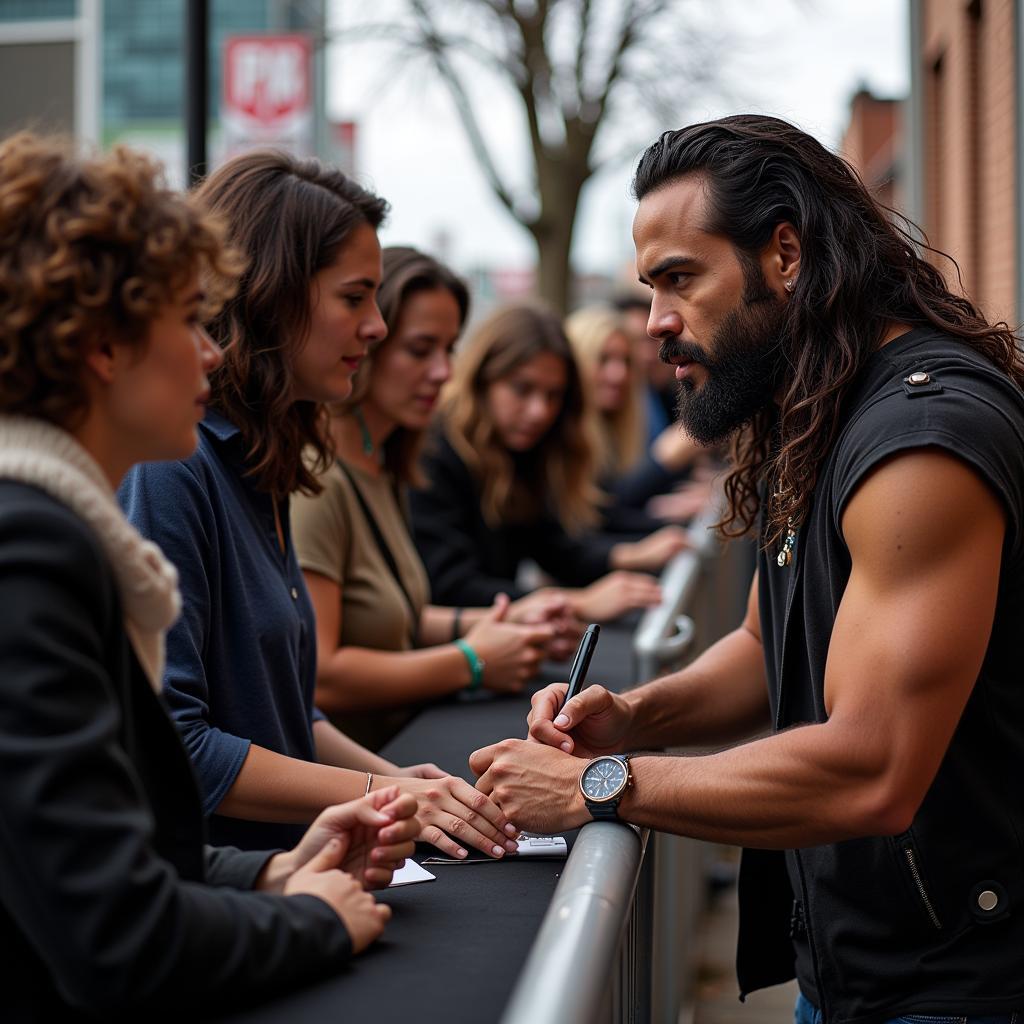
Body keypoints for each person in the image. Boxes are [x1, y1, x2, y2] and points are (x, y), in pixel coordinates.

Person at [471, 115, 1024, 1024]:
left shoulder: (923, 443)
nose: (656, 323)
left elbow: (871, 767)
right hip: (856, 963)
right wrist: (631, 719)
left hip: (961, 983)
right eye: (650, 288)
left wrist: (600, 787)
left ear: (786, 256)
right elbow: (768, 648)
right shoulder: (812, 411)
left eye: (680, 279)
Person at [0, 133, 420, 1020]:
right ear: (104, 345)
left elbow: (107, 853)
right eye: (190, 318)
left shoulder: (54, 530)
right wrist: (312, 920)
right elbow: (118, 934)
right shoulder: (31, 552)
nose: (213, 350)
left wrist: (274, 869)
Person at [121, 151, 519, 863]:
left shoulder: (262, 463)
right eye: (354, 297)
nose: (375, 326)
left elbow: (286, 712)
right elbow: (179, 743)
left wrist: (394, 783)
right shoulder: (172, 470)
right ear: (272, 294)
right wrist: (376, 789)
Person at [292, 246, 578, 749]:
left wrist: (503, 622)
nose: (444, 372)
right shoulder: (319, 479)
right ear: (368, 342)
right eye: (421, 349)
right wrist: (471, 660)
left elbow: (387, 618)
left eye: (449, 349)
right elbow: (321, 674)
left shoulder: (383, 464)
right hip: (360, 780)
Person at [410, 302, 690, 619]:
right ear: (481, 380)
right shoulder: (433, 451)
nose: (539, 411)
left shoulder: (526, 450)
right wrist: (576, 602)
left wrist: (629, 556)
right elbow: (451, 587)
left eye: (552, 395)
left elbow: (553, 545)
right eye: (522, 389)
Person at [565, 303, 705, 536]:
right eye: (603, 359)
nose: (619, 374)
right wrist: (665, 459)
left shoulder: (621, 425)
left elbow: (615, 512)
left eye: (626, 362)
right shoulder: (563, 435)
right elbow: (595, 519)